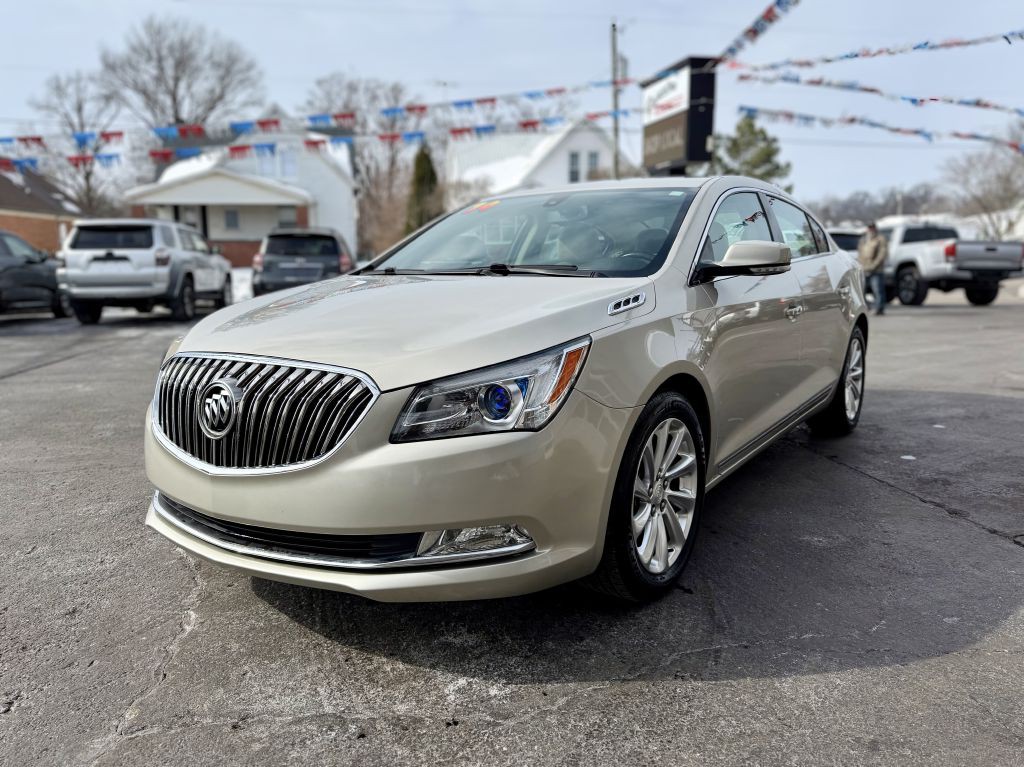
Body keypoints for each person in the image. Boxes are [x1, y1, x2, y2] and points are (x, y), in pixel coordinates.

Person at [858, 223, 888, 315]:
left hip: (876, 270)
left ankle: (879, 308)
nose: (871, 230)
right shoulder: (864, 239)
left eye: (872, 227)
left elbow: (882, 254)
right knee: (861, 290)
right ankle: (866, 308)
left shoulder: (880, 239)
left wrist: (874, 265)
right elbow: (860, 253)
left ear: (875, 228)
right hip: (864, 269)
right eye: (869, 228)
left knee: (877, 290)